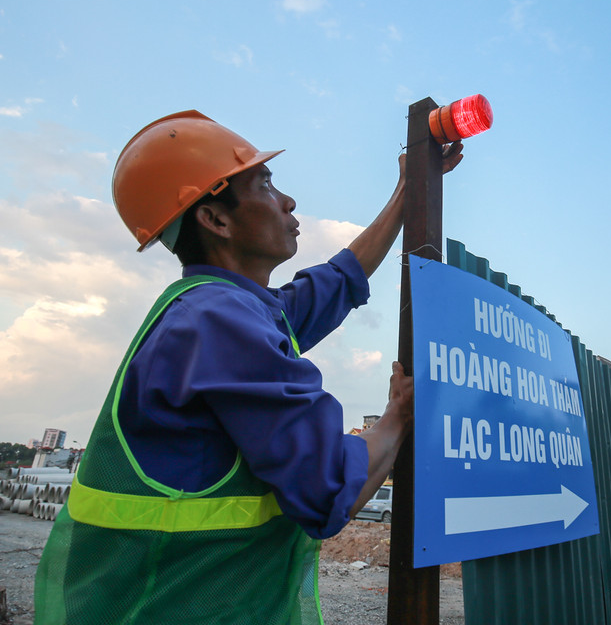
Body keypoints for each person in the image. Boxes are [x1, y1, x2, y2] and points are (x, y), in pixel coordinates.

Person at [33, 110, 464, 624]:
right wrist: (397, 416)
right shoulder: (218, 322)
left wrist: (407, 191)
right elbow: (328, 486)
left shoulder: (224, 309)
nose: (287, 200)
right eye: (264, 184)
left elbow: (337, 282)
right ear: (215, 220)